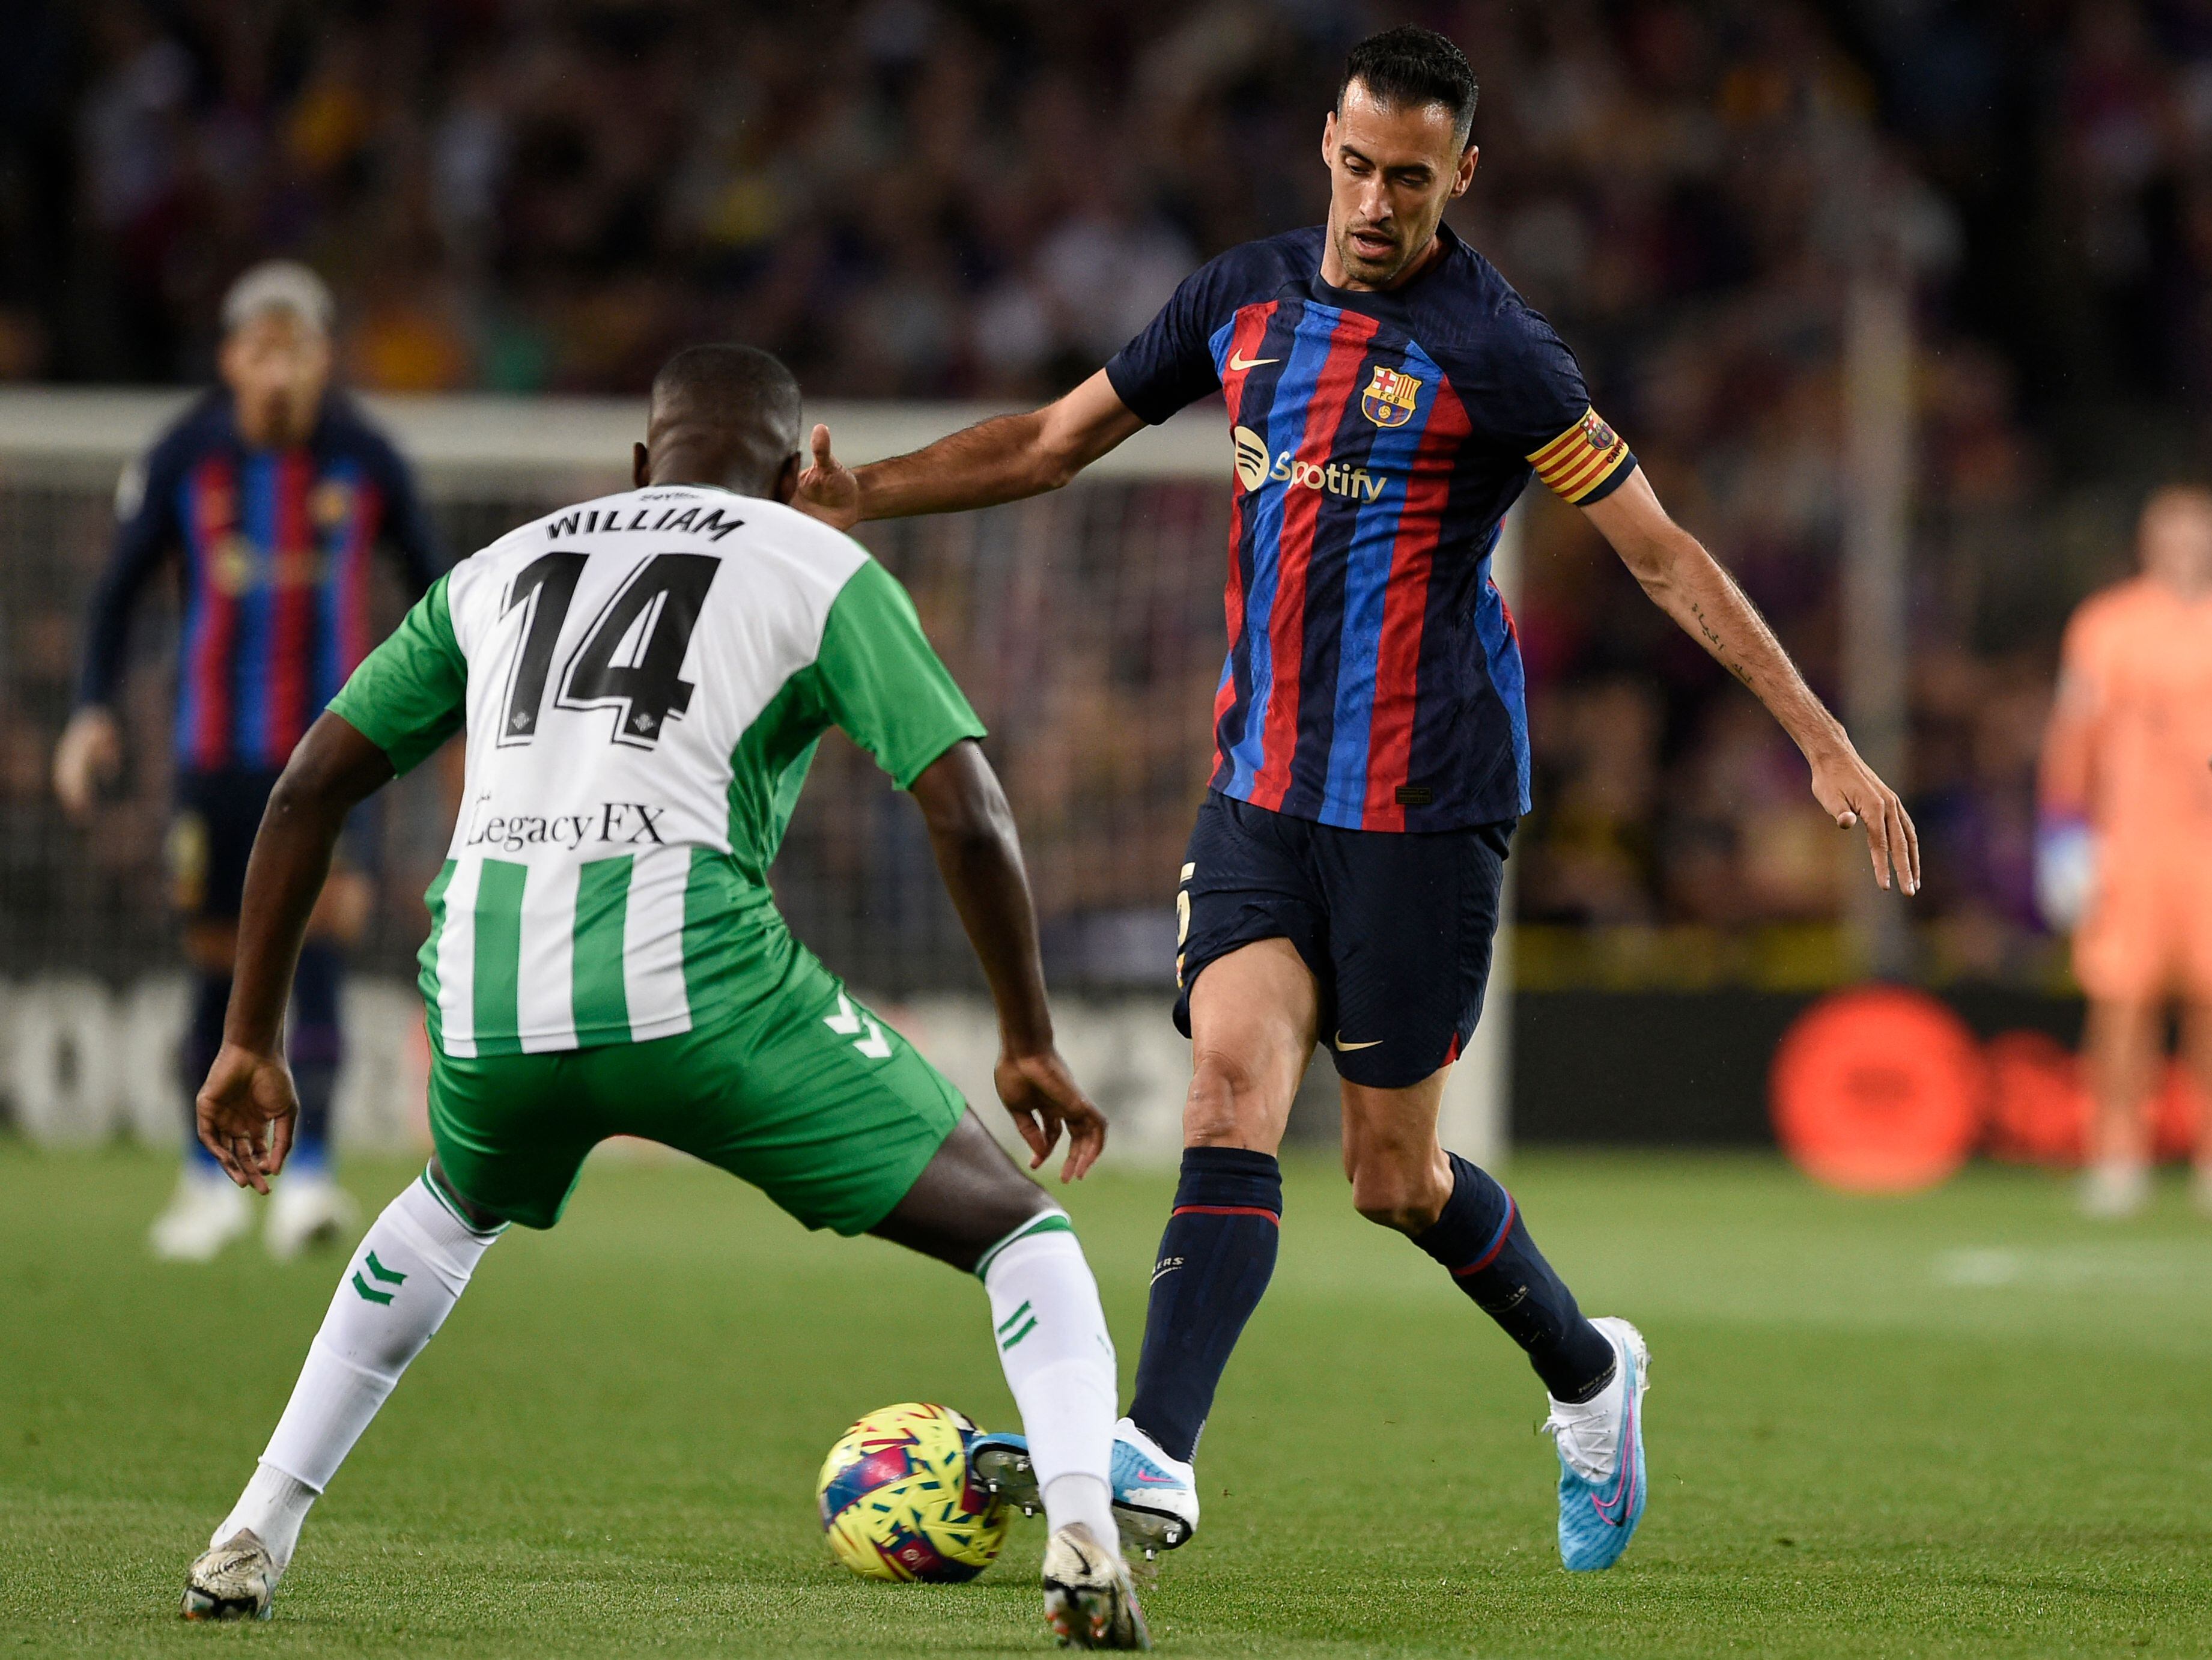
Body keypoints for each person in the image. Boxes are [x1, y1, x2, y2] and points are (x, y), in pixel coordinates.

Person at [792, 26, 1919, 1573]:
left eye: (1410, 179)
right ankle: (1156, 1447)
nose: (1376, 203)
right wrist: (866, 494)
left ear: (1464, 176)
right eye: (1357, 166)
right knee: (1226, 1093)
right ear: (1326, 145)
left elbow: (1660, 554)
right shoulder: (1242, 296)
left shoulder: (1498, 349)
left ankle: (1590, 1374)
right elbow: (1054, 442)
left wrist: (1820, 738)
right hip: (1258, 792)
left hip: (1424, 808)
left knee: (1392, 1176)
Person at [178, 344, 1149, 1649]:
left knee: (446, 1212)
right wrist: (1025, 1035)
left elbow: (307, 785)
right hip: (698, 987)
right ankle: (1082, 1528)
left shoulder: (497, 568)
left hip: (485, 992)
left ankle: (253, 1528)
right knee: (1022, 1236)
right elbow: (966, 809)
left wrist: (250, 1034)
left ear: (642, 462)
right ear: (800, 472)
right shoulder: (818, 562)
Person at [53, 261, 443, 1261]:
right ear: (230, 359)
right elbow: (117, 592)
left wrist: (466, 707)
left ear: (323, 358)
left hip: (335, 756)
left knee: (326, 935)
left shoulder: (365, 456)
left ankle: (309, 1174)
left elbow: (441, 588)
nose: (278, 369)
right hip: (214, 753)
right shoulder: (185, 455)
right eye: (261, 348)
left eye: (296, 348)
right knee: (215, 957)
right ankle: (206, 1181)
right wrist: (92, 709)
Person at [2037, 484, 2212, 1218]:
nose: (2184, 549)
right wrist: (2062, 833)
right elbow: (2072, 733)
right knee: (2120, 1002)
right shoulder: (2106, 626)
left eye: (2195, 534)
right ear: (2148, 542)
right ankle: (2115, 1155)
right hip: (2130, 842)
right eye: (2171, 534)